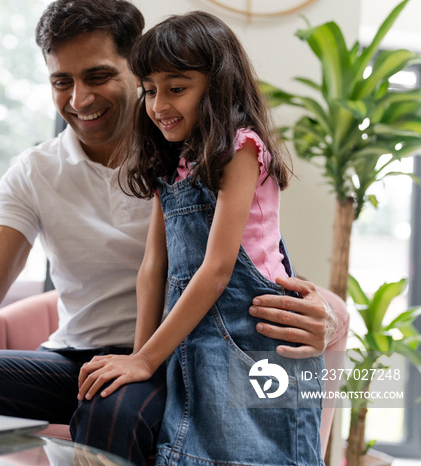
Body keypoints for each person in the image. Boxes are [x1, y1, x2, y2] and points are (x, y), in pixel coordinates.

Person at [0, 1, 342, 465]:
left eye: (97, 76)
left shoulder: (211, 153)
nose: (80, 99)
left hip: (176, 357)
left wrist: (330, 315)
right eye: (62, 81)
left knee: (112, 410)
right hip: (78, 359)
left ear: (136, 62)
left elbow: (249, 266)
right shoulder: (49, 171)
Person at [77, 11, 325, 465]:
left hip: (254, 338)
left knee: (255, 456)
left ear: (217, 86)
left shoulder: (241, 149)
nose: (158, 105)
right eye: (149, 90)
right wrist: (140, 357)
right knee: (187, 452)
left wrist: (147, 360)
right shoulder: (170, 164)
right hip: (192, 337)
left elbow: (217, 270)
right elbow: (154, 269)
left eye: (177, 88)